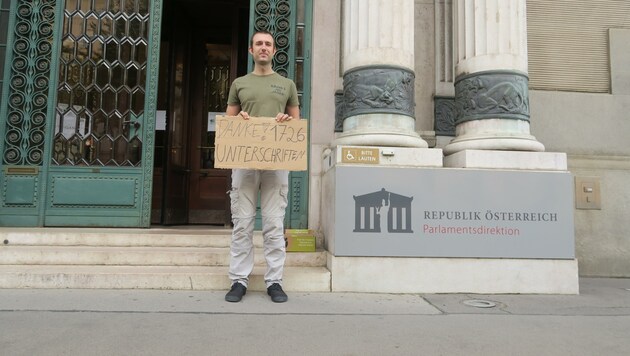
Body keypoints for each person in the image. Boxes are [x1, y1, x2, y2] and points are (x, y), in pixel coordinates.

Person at [224, 30, 300, 303]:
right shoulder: (239, 83)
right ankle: (239, 280)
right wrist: (240, 120)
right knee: (242, 223)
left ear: (274, 50)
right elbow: (228, 122)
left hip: (277, 160)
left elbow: (296, 124)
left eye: (268, 43)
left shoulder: (287, 84)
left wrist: (285, 120)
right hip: (244, 160)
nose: (264, 48)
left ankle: (275, 281)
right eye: (259, 44)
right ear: (251, 50)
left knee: (273, 222)